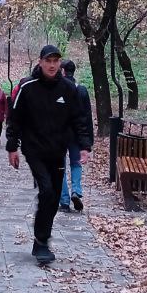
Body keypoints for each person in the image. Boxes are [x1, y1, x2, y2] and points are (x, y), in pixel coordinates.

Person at [5, 45, 90, 264]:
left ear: (60, 64)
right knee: (47, 191)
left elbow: (79, 119)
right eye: (48, 61)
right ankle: (41, 242)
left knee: (53, 197)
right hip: (34, 149)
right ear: (40, 62)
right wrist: (12, 147)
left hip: (57, 151)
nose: (52, 65)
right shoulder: (28, 87)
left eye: (56, 61)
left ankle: (40, 239)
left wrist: (84, 145)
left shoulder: (68, 89)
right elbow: (15, 118)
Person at [57, 59, 94, 213]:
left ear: (62, 71)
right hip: (76, 135)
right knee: (76, 164)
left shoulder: (57, 89)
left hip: (60, 136)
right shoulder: (82, 90)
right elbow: (87, 117)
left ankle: (64, 201)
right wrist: (87, 143)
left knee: (59, 168)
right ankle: (76, 191)